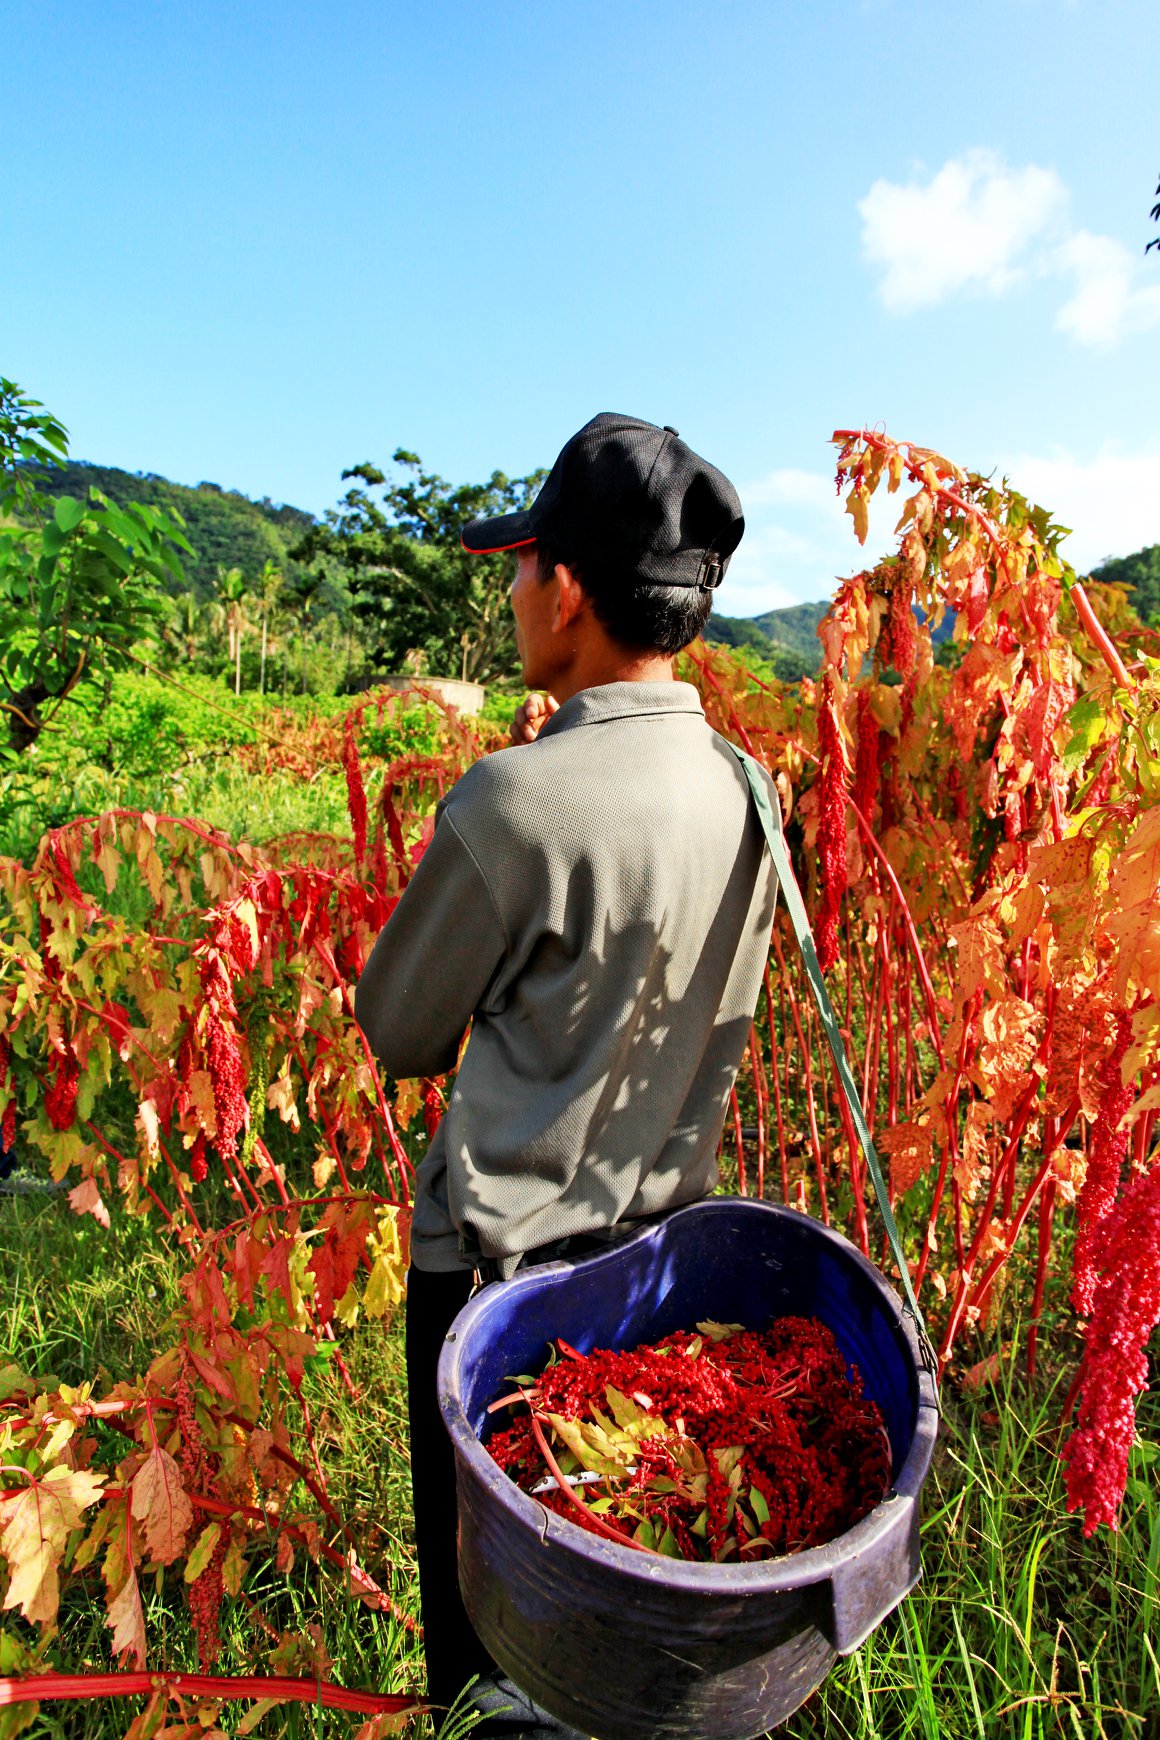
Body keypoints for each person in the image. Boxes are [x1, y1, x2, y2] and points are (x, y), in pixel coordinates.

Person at [354, 412, 779, 1737]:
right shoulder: (751, 787)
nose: (516, 589)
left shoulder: (514, 802)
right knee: (629, 1612)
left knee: (496, 1646)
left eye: (525, 563)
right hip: (665, 1277)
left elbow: (399, 1028)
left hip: (498, 1288)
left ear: (573, 592)